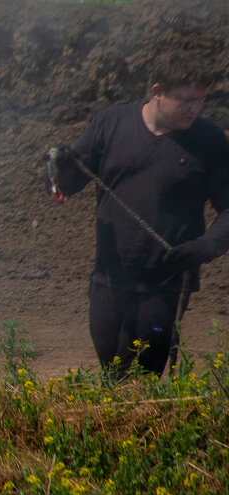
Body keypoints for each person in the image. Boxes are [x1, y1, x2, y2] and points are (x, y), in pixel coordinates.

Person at [44, 49, 229, 377]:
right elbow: (68, 184)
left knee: (141, 374)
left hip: (165, 283)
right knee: (110, 367)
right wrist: (59, 167)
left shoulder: (210, 141)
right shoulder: (109, 123)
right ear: (157, 92)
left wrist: (202, 248)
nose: (195, 109)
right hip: (109, 278)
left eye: (200, 100)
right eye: (186, 100)